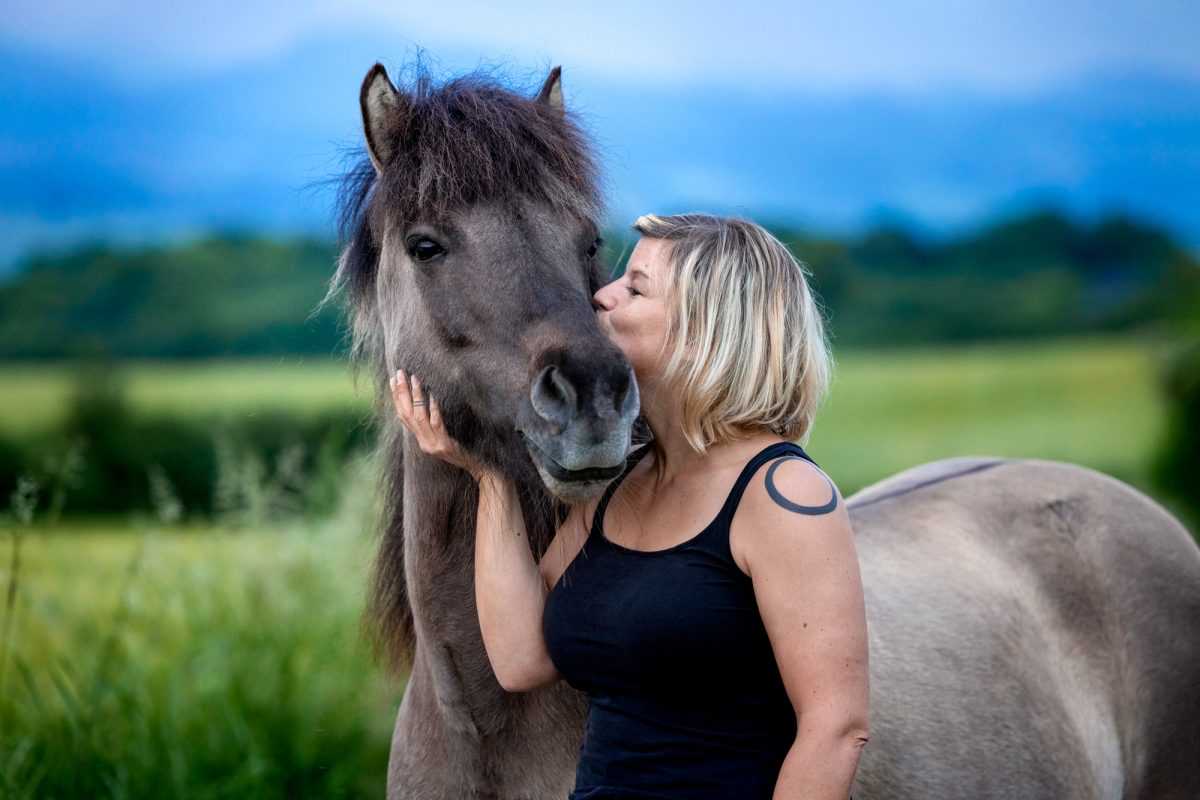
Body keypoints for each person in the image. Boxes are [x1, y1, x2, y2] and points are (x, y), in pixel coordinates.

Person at [389, 213, 870, 799]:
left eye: (634, 288)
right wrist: (485, 473)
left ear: (705, 327)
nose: (601, 294)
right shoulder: (621, 485)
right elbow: (520, 658)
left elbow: (836, 728)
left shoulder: (784, 495)